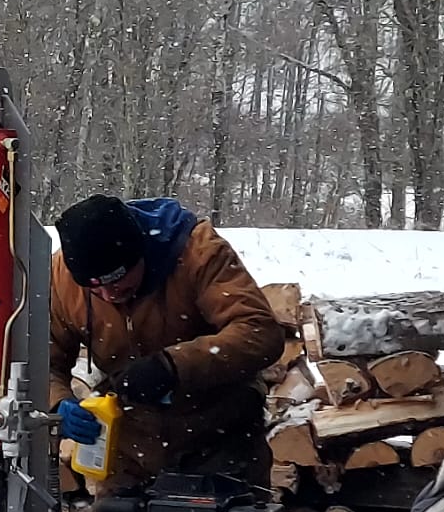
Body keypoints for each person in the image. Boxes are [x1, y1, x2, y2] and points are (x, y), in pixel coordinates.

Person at [49, 194, 284, 492]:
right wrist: (58, 403)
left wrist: (174, 366)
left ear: (140, 252)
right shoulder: (64, 276)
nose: (109, 295)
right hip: (128, 447)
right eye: (95, 289)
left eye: (117, 280)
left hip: (217, 435)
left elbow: (259, 331)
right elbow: (44, 360)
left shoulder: (199, 252)